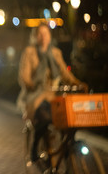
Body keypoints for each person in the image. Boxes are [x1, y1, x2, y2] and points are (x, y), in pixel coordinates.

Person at [17, 23, 88, 162]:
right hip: (35, 95)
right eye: (40, 34)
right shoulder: (29, 52)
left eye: (46, 34)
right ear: (35, 37)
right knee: (44, 117)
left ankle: (68, 151)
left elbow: (65, 74)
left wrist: (78, 84)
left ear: (50, 36)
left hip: (53, 95)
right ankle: (34, 148)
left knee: (69, 119)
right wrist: (32, 84)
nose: (43, 37)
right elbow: (24, 76)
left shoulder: (56, 53)